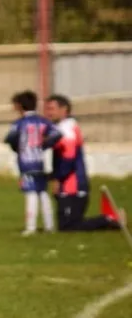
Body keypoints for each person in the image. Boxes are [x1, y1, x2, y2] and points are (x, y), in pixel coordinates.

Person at [44, 94, 124, 231]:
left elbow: (68, 159)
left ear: (64, 109)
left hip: (73, 185)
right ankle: (109, 221)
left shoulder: (67, 130)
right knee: (64, 225)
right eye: (47, 109)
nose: (49, 113)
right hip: (68, 184)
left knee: (69, 227)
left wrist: (57, 178)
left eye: (52, 109)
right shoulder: (62, 128)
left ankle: (109, 219)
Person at [5, 90, 62, 235]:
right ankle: (50, 226)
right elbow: (57, 133)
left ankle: (30, 227)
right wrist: (44, 145)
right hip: (40, 162)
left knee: (30, 193)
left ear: (19, 106)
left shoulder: (20, 123)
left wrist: (17, 148)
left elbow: (10, 138)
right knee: (42, 192)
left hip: (26, 163)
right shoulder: (43, 121)